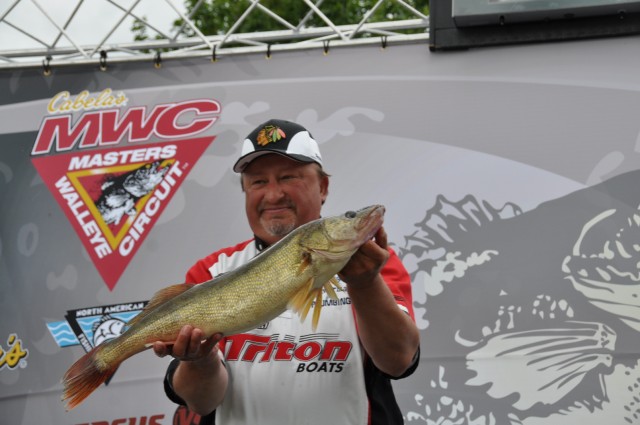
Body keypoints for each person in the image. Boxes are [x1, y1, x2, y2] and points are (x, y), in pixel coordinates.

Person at [153, 119, 420, 425]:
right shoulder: (211, 270)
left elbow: (398, 361)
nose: (273, 194)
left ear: (323, 187)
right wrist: (200, 360)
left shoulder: (371, 262)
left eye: (287, 177)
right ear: (245, 191)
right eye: (258, 182)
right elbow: (201, 402)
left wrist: (365, 284)